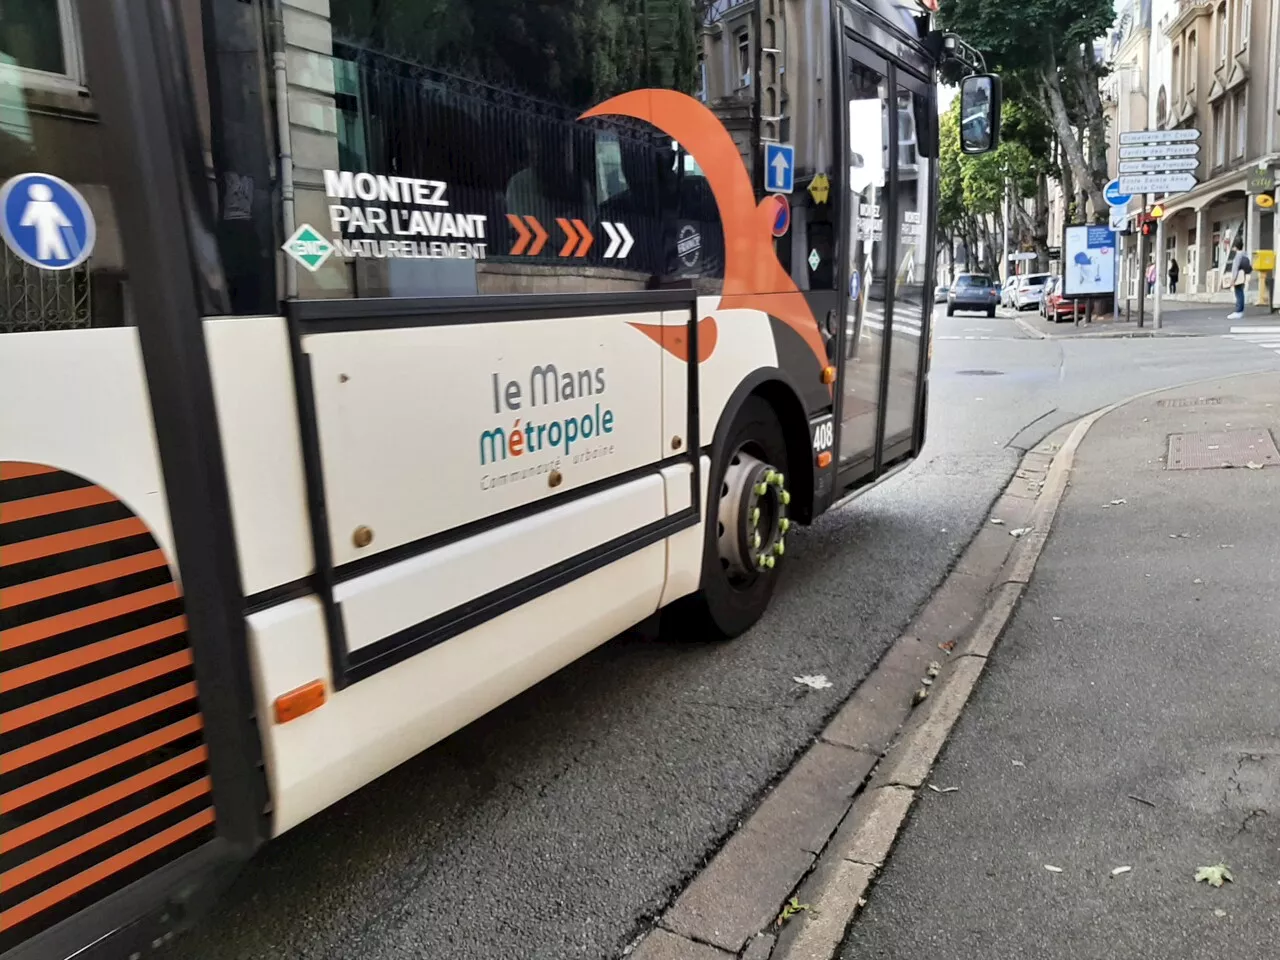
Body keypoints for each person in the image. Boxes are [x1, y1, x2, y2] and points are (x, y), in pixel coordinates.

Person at [1225, 239, 1251, 320]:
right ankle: (1240, 311)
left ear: (1235, 247)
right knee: (1241, 293)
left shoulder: (1238, 256)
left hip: (1238, 277)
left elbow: (1235, 268)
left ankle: (1238, 311)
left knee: (1238, 293)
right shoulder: (1245, 254)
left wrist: (1233, 279)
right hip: (1243, 276)